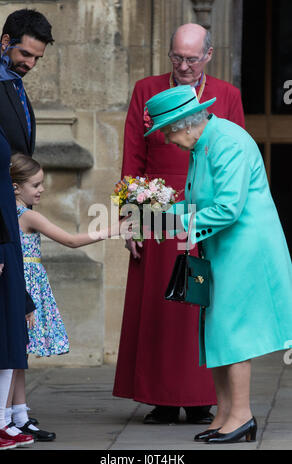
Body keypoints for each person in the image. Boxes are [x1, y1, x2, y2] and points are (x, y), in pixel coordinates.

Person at [143, 84, 292, 444]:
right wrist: (151, 218)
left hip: (247, 250)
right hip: (223, 249)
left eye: (166, 131)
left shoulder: (227, 142)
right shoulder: (204, 144)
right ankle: (225, 414)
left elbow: (227, 208)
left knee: (233, 330)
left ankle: (241, 416)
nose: (165, 139)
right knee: (217, 329)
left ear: (185, 124)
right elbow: (196, 207)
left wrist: (169, 223)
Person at [113, 23, 245, 425]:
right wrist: (129, 219)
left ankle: (204, 398)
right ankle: (163, 399)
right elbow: (133, 156)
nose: (183, 66)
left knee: (201, 307)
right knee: (161, 309)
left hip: (207, 214)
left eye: (191, 58)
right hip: (157, 211)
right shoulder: (145, 90)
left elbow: (236, 154)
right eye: (176, 57)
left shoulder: (228, 95)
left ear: (208, 56)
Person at [6, 153, 132, 440]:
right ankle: (5, 419)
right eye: (35, 185)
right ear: (16, 186)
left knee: (19, 356)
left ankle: (19, 415)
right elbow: (71, 240)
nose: (41, 190)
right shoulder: (27, 215)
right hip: (26, 287)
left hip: (24, 285)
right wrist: (113, 230)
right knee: (15, 357)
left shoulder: (9, 214)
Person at [0, 116, 35, 449]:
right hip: (0, 251)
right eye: (36, 185)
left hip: (7, 255)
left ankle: (4, 420)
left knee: (9, 346)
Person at [0, 8, 54, 156]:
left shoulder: (11, 75)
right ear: (6, 41)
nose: (31, 64)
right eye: (25, 54)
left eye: (37, 58)